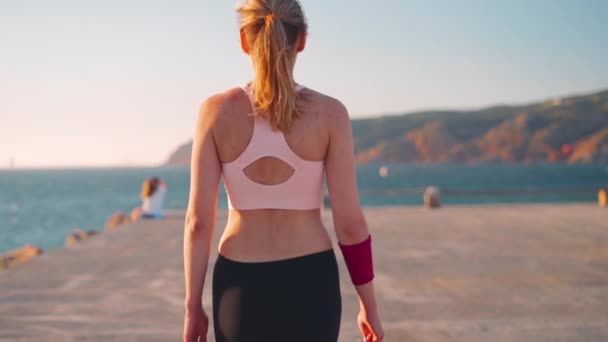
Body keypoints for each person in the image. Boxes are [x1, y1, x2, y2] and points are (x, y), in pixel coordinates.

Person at [183, 1, 384, 341]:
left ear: (244, 39)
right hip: (311, 280)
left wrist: (192, 308)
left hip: (239, 283)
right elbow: (350, 225)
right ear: (302, 39)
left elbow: (198, 223)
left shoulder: (214, 112)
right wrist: (369, 306)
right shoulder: (331, 114)